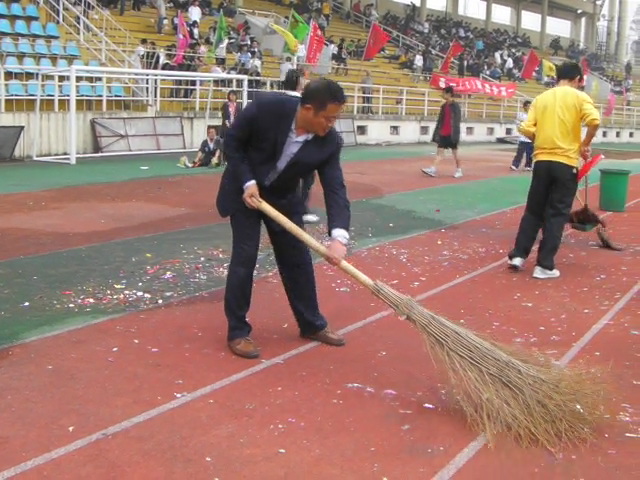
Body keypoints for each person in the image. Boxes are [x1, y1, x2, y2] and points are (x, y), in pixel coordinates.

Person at [216, 78, 351, 359]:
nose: (331, 124)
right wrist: (247, 182)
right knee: (246, 255)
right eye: (328, 118)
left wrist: (339, 236)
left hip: (283, 199)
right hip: (245, 192)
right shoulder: (267, 108)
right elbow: (233, 143)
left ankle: (311, 324)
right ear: (309, 109)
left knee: (297, 260)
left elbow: (335, 187)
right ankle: (238, 331)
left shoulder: (329, 143)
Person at [507, 61, 601, 279]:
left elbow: (526, 128)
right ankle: (544, 265)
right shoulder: (579, 97)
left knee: (533, 211)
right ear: (578, 79)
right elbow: (594, 120)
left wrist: (541, 138)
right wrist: (584, 144)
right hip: (565, 163)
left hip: (541, 162)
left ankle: (518, 256)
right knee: (557, 214)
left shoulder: (541, 98)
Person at [281, 69, 321, 224]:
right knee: (305, 180)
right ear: (298, 82)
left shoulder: (275, 100)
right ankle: (300, 209)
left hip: (282, 148)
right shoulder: (303, 104)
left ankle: (291, 208)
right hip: (300, 147)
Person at [421, 86, 463, 178]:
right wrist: (438, 132)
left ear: (449, 94)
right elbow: (440, 120)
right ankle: (433, 169)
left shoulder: (455, 106)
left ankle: (459, 170)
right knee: (439, 153)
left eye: (444, 93)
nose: (442, 95)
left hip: (451, 134)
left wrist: (456, 135)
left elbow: (457, 121)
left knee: (455, 154)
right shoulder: (444, 106)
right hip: (443, 133)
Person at [510, 100, 534, 171]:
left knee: (530, 153)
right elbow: (518, 124)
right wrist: (522, 130)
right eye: (528, 106)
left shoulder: (534, 116)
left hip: (531, 138)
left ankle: (528, 166)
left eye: (530, 106)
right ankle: (515, 165)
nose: (529, 108)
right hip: (523, 137)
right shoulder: (520, 115)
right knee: (520, 152)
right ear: (524, 107)